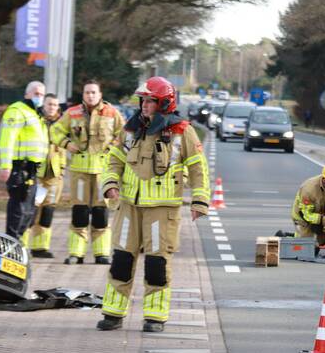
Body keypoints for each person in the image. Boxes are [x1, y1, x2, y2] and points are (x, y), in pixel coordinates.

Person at [96, 77, 209, 333]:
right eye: (143, 101)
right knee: (121, 260)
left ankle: (155, 317)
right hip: (128, 207)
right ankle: (113, 314)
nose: (144, 105)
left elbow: (198, 168)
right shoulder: (131, 128)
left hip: (162, 209)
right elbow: (114, 160)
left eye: (150, 101)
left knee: (156, 264)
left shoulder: (182, 131)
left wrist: (199, 201)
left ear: (165, 103)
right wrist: (110, 184)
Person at [51, 79, 126, 265]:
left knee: (101, 214)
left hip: (103, 173)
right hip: (80, 173)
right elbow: (55, 131)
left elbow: (124, 134)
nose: (90, 95)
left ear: (100, 94)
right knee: (80, 213)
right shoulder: (72, 113)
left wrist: (113, 148)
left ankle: (102, 254)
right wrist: (67, 144)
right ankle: (76, 254)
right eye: (87, 92)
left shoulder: (112, 113)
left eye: (93, 92)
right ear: (83, 94)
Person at [0, 81, 47, 239]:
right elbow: (7, 139)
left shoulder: (35, 113)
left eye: (42, 94)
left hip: (31, 169)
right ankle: (12, 241)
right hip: (19, 167)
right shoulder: (17, 110)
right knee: (18, 210)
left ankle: (17, 242)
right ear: (27, 94)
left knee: (29, 211)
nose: (39, 97)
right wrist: (6, 166)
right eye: (36, 93)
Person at [25, 93, 67, 258]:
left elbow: (64, 148)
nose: (52, 107)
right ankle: (22, 246)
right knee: (32, 210)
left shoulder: (62, 124)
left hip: (54, 175)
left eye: (55, 105)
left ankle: (40, 248)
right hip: (37, 173)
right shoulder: (35, 120)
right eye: (49, 104)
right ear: (44, 105)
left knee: (47, 212)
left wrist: (62, 169)